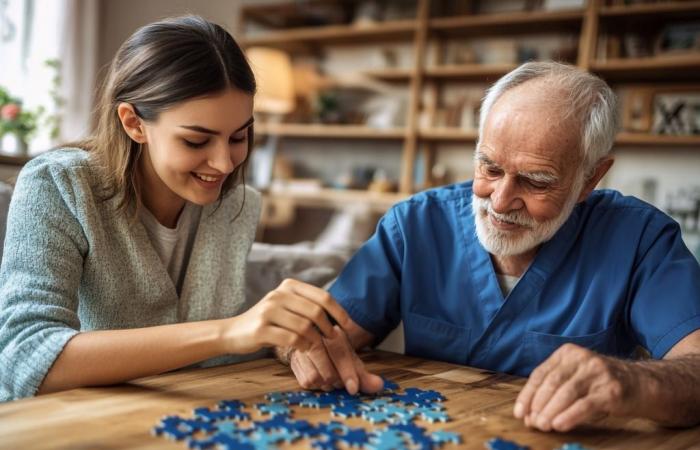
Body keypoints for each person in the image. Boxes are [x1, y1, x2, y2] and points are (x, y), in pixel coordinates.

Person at [281, 61, 700, 432]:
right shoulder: (415, 225)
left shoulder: (641, 240)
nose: (500, 201)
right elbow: (311, 334)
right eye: (490, 166)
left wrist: (632, 382)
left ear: (590, 178)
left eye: (536, 181)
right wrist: (304, 350)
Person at [0, 16, 354, 402]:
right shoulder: (58, 185)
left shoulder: (236, 204)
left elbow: (212, 359)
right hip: (67, 425)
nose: (224, 163)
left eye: (239, 136)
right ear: (134, 123)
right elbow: (23, 358)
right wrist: (230, 331)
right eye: (196, 141)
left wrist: (285, 343)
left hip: (187, 421)